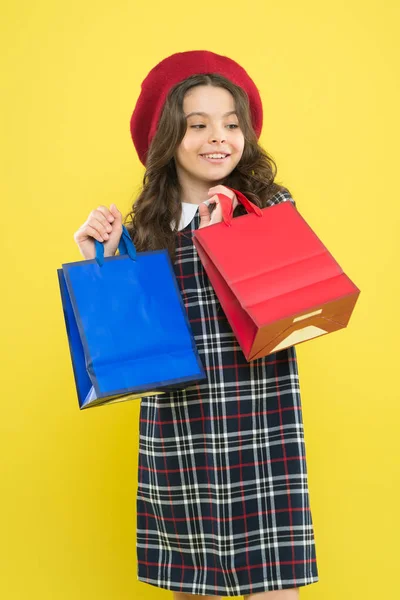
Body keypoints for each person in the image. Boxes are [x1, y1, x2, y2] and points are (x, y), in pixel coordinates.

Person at [73, 51, 318, 600]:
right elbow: (131, 354)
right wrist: (106, 263)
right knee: (192, 587)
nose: (219, 138)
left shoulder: (269, 207)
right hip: (179, 431)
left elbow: (293, 316)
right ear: (168, 138)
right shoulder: (147, 228)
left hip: (262, 423)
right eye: (198, 125)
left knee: (273, 587)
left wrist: (232, 235)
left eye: (231, 124)